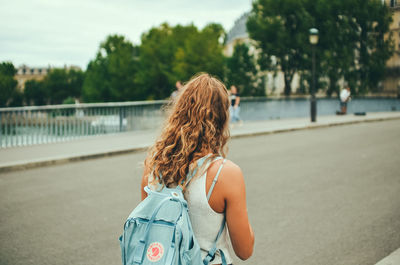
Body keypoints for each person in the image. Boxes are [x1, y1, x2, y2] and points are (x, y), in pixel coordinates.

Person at [141, 73, 254, 264]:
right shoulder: (225, 174)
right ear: (221, 119)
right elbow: (244, 250)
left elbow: (148, 230)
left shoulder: (153, 168)